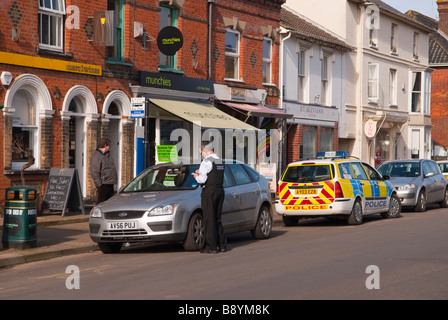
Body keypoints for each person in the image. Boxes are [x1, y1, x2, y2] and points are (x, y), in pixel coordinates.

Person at [194, 141, 226, 253]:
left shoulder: (206, 161)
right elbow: (213, 173)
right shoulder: (220, 160)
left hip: (209, 191)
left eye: (201, 151)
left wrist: (196, 176)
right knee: (217, 218)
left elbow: (202, 180)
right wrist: (202, 174)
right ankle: (222, 245)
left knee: (209, 219)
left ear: (205, 150)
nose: (201, 154)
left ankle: (211, 247)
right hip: (220, 190)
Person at [90, 138, 118, 204]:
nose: (109, 147)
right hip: (103, 184)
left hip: (110, 183)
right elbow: (94, 171)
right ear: (105, 145)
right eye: (109, 145)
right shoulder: (97, 156)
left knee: (109, 203)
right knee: (101, 203)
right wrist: (100, 185)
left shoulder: (107, 155)